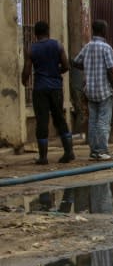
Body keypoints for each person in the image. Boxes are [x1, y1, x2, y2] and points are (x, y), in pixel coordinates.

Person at [22, 21, 75, 165]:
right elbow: (66, 65)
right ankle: (69, 152)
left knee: (42, 121)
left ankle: (43, 157)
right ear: (48, 31)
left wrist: (24, 80)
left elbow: (27, 70)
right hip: (56, 88)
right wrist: (56, 72)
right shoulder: (57, 45)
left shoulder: (31, 49)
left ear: (35, 34)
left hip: (40, 89)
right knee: (59, 119)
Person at [72, 19, 113, 161]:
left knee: (92, 121)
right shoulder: (106, 48)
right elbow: (111, 71)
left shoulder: (87, 47)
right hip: (104, 90)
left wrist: (87, 68)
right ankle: (102, 150)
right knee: (103, 121)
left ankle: (93, 151)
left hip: (90, 91)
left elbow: (75, 62)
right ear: (103, 31)